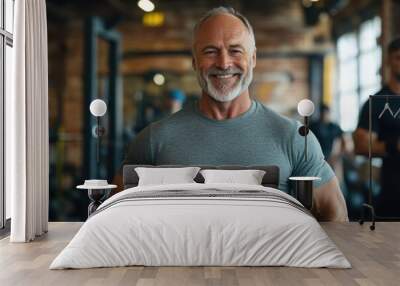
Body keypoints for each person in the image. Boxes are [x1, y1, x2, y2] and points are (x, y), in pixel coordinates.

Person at [114, 7, 348, 222]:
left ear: (253, 58)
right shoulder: (154, 140)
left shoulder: (294, 138)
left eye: (235, 50)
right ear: (195, 61)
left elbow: (336, 218)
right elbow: (113, 220)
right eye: (210, 51)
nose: (224, 63)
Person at [353, 37, 400, 218]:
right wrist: (394, 145)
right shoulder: (377, 103)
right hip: (394, 191)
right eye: (398, 57)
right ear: (388, 61)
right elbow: (361, 146)